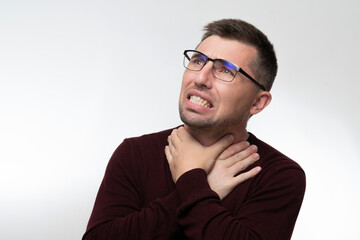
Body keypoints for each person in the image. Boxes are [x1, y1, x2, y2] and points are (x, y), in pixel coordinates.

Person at [82, 19, 305, 240]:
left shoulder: (279, 176)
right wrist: (203, 189)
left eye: (226, 70)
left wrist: (189, 177)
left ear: (258, 102)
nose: (200, 78)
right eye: (198, 61)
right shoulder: (135, 153)